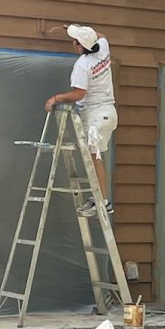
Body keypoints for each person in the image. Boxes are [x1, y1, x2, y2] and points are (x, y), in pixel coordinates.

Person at [44, 24, 117, 217]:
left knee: (94, 159)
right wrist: (78, 28)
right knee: (96, 157)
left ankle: (102, 201)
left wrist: (55, 98)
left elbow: (79, 93)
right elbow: (101, 34)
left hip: (95, 115)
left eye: (74, 39)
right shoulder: (102, 48)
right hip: (109, 112)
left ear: (79, 46)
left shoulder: (83, 66)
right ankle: (100, 199)